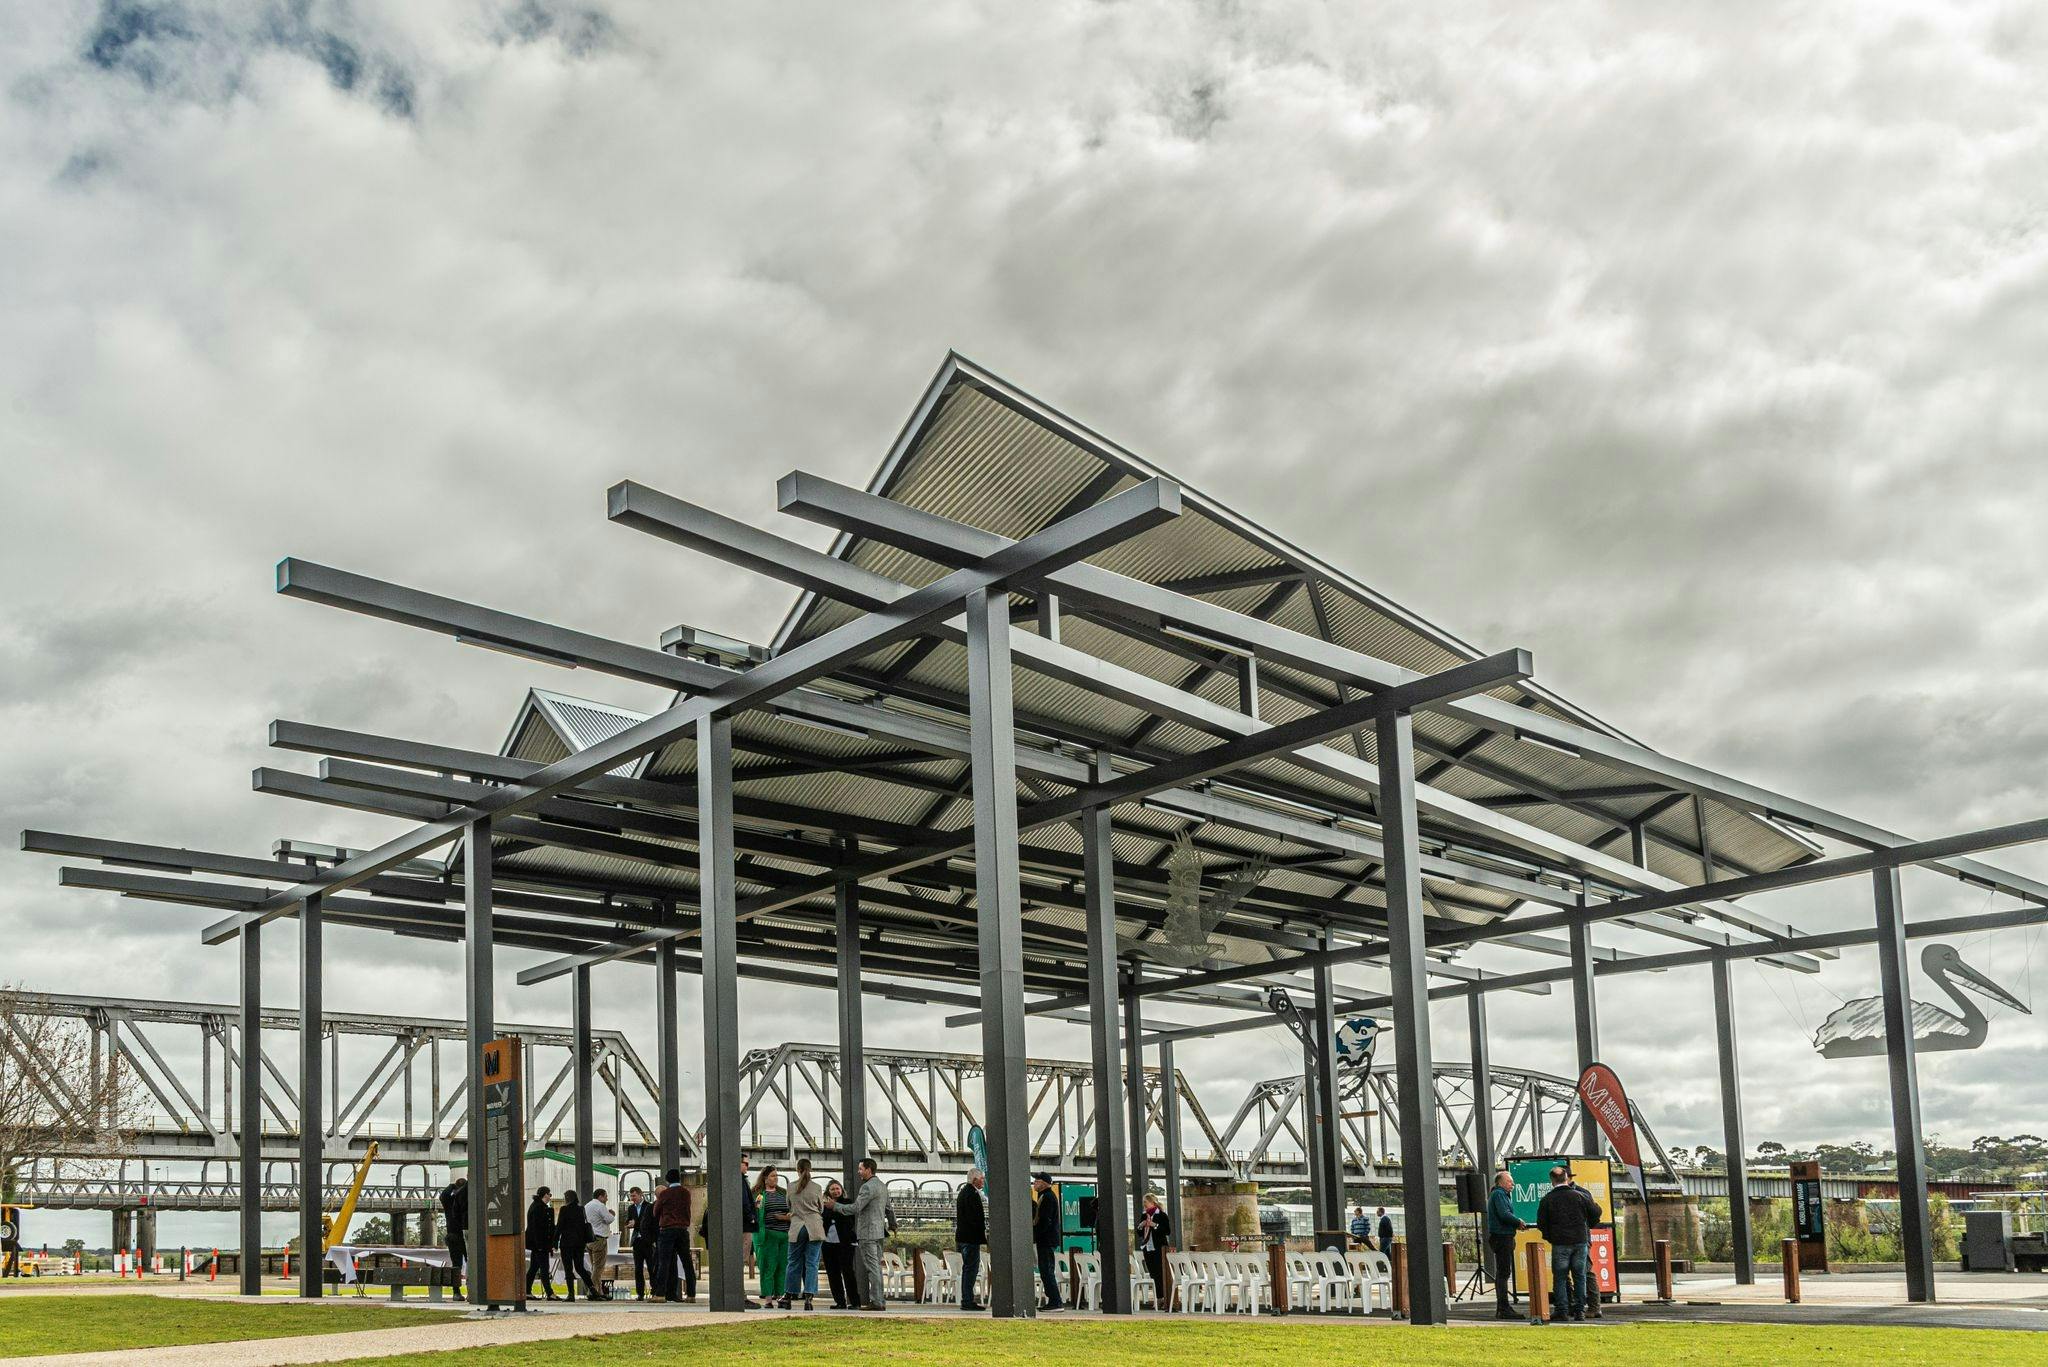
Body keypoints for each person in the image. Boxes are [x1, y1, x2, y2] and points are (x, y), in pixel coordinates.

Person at [1536, 1165, 1601, 1322]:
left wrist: (1550, 1237)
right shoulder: (1580, 1196)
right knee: (1580, 1276)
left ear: (1552, 1181)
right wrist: (1586, 1227)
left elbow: (1541, 1223)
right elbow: (1596, 1212)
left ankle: (1562, 1311)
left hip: (1560, 1243)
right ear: (1566, 1178)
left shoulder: (1547, 1200)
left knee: (1560, 1277)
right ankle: (1580, 1312)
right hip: (1580, 1241)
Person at [828, 1157, 889, 1310]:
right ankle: (880, 1300)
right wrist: (893, 1224)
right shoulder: (882, 1186)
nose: (858, 1172)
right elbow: (889, 1208)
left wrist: (834, 1206)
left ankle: (876, 1302)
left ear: (869, 1169)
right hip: (879, 1232)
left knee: (872, 1268)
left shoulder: (867, 1187)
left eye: (861, 1169)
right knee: (877, 1268)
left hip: (868, 1232)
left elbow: (856, 1208)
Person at [780, 1157, 824, 1310]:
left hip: (797, 1226)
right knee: (812, 1263)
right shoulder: (817, 1187)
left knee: (793, 1262)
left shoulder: (790, 1187)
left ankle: (789, 1295)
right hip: (814, 1227)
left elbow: (788, 1206)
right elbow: (821, 1208)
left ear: (797, 1170)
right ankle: (809, 1297)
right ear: (810, 1169)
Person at [1485, 1170, 1529, 1320]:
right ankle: (1503, 1307)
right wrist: (1518, 1222)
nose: (1513, 1184)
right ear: (1501, 1182)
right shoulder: (1499, 1194)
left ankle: (1503, 1307)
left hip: (1502, 1236)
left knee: (1503, 1272)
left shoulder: (1499, 1194)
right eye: (1510, 1181)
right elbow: (1504, 1214)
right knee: (1503, 1273)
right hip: (1502, 1237)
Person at [653, 1169, 695, 1302]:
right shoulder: (686, 1193)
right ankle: (691, 1294)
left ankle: (660, 1294)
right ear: (679, 1179)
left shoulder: (665, 1193)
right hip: (683, 1230)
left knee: (664, 1263)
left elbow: (656, 1211)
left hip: (667, 1230)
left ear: (667, 1180)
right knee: (687, 1262)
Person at [821, 1178, 859, 1309]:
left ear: (842, 1190)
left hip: (845, 1243)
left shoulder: (848, 1204)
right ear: (828, 1192)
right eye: (832, 1189)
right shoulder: (824, 1206)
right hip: (828, 1243)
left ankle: (854, 1301)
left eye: (838, 1188)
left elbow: (851, 1221)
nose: (835, 1191)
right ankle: (840, 1301)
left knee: (848, 1272)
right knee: (833, 1273)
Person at [753, 1165, 788, 1304]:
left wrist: (786, 1217)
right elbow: (756, 1214)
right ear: (765, 1178)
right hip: (768, 1235)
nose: (776, 1178)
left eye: (776, 1175)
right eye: (773, 1176)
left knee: (782, 1267)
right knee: (768, 1267)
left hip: (784, 1235)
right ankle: (768, 1298)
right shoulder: (759, 1195)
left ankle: (780, 1296)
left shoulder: (783, 1193)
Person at [954, 1169, 987, 1312]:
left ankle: (967, 1299)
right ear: (975, 1180)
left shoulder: (964, 1192)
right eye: (982, 1179)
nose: (983, 1181)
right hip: (970, 1238)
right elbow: (975, 1218)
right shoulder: (972, 1194)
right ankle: (967, 1300)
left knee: (968, 1269)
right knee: (971, 1269)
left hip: (964, 1237)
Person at [1030, 1172, 1064, 1311]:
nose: (1034, 1183)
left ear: (1044, 1183)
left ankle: (1055, 1301)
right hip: (1046, 1239)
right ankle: (1054, 1300)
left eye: (1036, 1181)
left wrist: (1036, 1234)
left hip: (1046, 1240)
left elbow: (1045, 1220)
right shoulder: (1043, 1196)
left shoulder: (1048, 1197)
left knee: (1047, 1270)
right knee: (1045, 1270)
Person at [557, 1187, 598, 1301]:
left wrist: (555, 1241)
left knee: (568, 1269)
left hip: (567, 1243)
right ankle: (592, 1289)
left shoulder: (564, 1209)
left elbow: (559, 1226)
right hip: (579, 1243)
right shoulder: (581, 1209)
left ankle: (571, 1294)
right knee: (580, 1268)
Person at [1136, 1191, 1171, 1298]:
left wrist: (1154, 1225)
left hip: (1159, 1247)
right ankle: (1158, 1297)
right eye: (1143, 1202)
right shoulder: (1144, 1215)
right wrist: (1141, 1226)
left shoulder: (1161, 1215)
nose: (1144, 1204)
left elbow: (1167, 1231)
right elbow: (1140, 1233)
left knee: (1160, 1272)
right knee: (1152, 1272)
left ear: (1153, 1202)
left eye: (1146, 1202)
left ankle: (1163, 1297)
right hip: (1147, 1247)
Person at [525, 1186, 559, 1300]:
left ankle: (527, 1291)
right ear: (545, 1195)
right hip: (540, 1243)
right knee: (544, 1267)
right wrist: (542, 1244)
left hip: (537, 1243)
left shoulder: (537, 1206)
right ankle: (549, 1293)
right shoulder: (539, 1208)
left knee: (534, 1267)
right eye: (550, 1194)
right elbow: (537, 1228)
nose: (550, 1197)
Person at [438, 1176, 468, 1293]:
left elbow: (443, 1195)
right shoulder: (464, 1200)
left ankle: (456, 1291)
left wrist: (452, 1186)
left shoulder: (448, 1201)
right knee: (470, 1261)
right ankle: (472, 1290)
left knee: (456, 1265)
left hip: (453, 1235)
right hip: (464, 1234)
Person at [585, 1188, 616, 1300]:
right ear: (601, 1196)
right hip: (599, 1239)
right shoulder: (600, 1206)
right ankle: (593, 1291)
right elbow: (609, 1219)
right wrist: (612, 1213)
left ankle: (599, 1291)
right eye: (606, 1196)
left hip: (589, 1239)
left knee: (594, 1266)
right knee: (598, 1268)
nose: (607, 1199)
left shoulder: (587, 1206)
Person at [623, 1186, 653, 1301]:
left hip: (648, 1241)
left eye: (634, 1196)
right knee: (638, 1269)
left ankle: (654, 1290)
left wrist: (635, 1224)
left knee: (651, 1267)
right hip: (637, 1241)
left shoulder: (649, 1206)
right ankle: (640, 1293)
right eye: (631, 1196)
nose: (632, 1198)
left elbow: (649, 1222)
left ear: (641, 1195)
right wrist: (628, 1223)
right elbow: (628, 1220)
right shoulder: (631, 1208)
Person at [739, 1156, 759, 1276]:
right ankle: (736, 1287)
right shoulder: (741, 1180)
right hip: (745, 1224)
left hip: (740, 1222)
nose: (747, 1166)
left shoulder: (738, 1179)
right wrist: (751, 1217)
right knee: (743, 1255)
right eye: (745, 1163)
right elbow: (744, 1200)